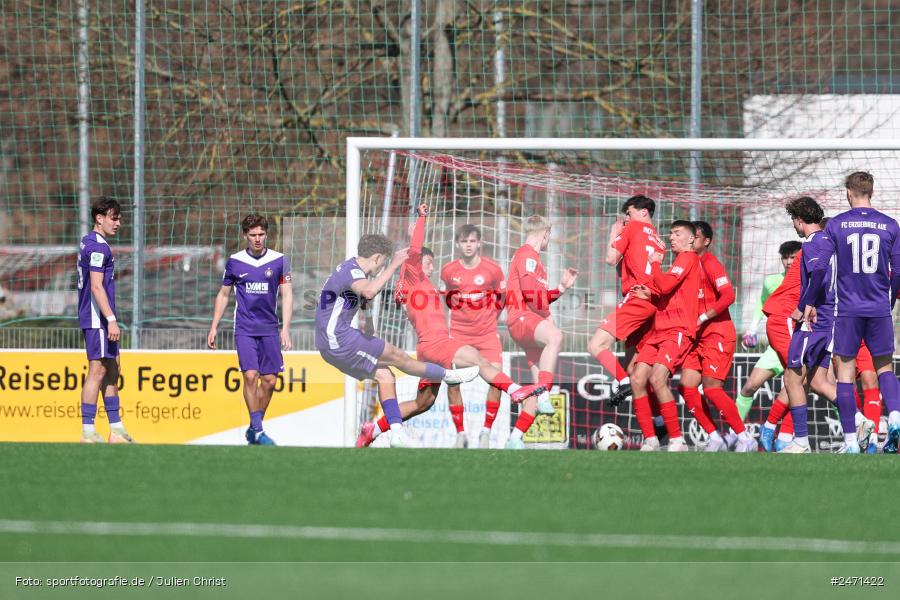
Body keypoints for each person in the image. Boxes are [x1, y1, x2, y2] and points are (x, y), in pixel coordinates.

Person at [356, 206, 543, 448]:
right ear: (415, 263)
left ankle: (373, 429)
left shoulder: (418, 283)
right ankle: (516, 391)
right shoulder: (412, 276)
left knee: (423, 403)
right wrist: (422, 219)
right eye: (428, 263)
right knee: (478, 359)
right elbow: (414, 251)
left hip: (428, 348)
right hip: (437, 344)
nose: (432, 268)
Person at [316, 230, 480, 448]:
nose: (381, 268)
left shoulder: (348, 270)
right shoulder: (353, 271)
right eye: (382, 263)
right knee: (397, 355)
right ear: (377, 257)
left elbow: (354, 296)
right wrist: (394, 265)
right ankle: (448, 375)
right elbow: (370, 291)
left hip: (331, 342)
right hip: (338, 339)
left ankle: (396, 434)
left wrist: (369, 322)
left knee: (386, 376)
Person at [798, 172, 900, 454]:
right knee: (884, 368)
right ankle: (894, 418)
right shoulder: (891, 225)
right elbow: (899, 271)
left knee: (844, 373)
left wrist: (809, 301)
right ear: (872, 191)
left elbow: (819, 268)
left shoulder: (838, 224)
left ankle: (852, 443)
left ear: (848, 192)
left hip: (848, 311)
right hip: (879, 308)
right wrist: (888, 300)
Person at [208, 214, 292, 446]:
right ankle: (257, 429)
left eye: (261, 234)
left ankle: (254, 428)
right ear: (245, 235)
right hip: (244, 327)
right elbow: (224, 294)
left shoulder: (279, 260)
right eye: (253, 235)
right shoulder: (235, 261)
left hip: (270, 329)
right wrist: (214, 326)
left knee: (270, 382)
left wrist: (285, 328)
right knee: (251, 375)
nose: (257, 239)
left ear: (267, 235)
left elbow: (287, 294)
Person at [679, 221, 757, 452]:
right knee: (686, 386)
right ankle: (714, 437)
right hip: (696, 337)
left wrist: (702, 318)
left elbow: (728, 295)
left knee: (712, 388)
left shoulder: (710, 263)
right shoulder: (685, 264)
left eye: (696, 236)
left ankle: (745, 438)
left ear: (706, 241)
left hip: (717, 334)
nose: (691, 240)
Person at [505, 215, 579, 449]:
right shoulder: (527, 254)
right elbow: (529, 295)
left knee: (536, 391)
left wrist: (561, 288)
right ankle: (546, 392)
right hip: (522, 319)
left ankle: (514, 439)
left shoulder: (534, 259)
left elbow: (539, 297)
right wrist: (547, 319)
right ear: (545, 233)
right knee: (555, 336)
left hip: (529, 322)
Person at [629, 220, 701, 452]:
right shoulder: (678, 263)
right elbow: (666, 293)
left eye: (677, 233)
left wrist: (655, 265)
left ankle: (677, 441)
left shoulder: (688, 258)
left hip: (678, 331)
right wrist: (649, 295)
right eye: (670, 233)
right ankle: (650, 439)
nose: (671, 237)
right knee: (638, 379)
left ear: (691, 239)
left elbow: (667, 286)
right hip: (660, 331)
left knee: (657, 378)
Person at [588, 195, 666, 406]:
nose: (627, 219)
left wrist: (614, 233)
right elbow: (626, 269)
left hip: (637, 299)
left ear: (644, 212)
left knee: (596, 345)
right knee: (634, 370)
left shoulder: (632, 229)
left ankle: (621, 382)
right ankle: (658, 426)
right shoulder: (660, 241)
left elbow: (610, 258)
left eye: (629, 214)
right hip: (652, 303)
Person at [441, 223, 508, 448]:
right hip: (459, 335)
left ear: (479, 243)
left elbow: (503, 297)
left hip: (488, 335)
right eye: (464, 241)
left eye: (472, 241)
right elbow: (447, 299)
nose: (468, 245)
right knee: (452, 382)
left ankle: (486, 433)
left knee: (497, 381)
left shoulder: (493, 269)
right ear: (458, 244)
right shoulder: (449, 271)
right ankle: (460, 434)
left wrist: (490, 319)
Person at [78, 196, 135, 444]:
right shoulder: (98, 246)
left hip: (102, 317)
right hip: (97, 318)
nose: (118, 222)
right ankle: (88, 432)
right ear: (99, 219)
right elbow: (96, 287)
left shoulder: (91, 242)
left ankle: (116, 430)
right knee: (98, 370)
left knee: (113, 369)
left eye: (120, 218)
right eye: (114, 218)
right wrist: (111, 319)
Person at [735, 241, 802, 425]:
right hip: (776, 346)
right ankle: (735, 434)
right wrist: (752, 330)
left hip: (799, 344)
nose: (789, 262)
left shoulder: (808, 281)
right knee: (750, 386)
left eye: (793, 257)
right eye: (785, 258)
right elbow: (761, 304)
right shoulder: (771, 281)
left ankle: (852, 432)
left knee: (817, 388)